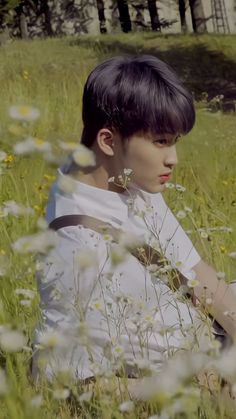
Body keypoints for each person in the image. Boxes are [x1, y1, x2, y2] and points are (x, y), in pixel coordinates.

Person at [32, 55, 236, 384]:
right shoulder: (74, 242)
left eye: (174, 141)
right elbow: (61, 376)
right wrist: (188, 387)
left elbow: (198, 277)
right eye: (160, 141)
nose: (173, 158)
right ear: (108, 141)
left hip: (204, 339)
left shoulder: (132, 182)